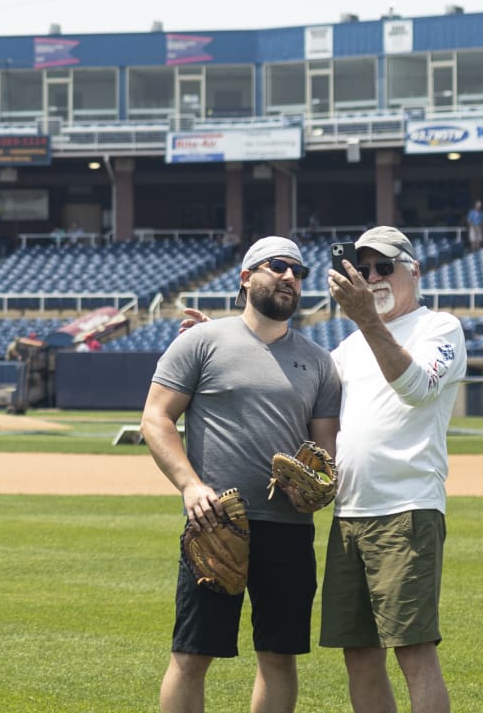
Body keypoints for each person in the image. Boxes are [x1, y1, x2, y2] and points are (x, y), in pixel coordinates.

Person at [142, 235, 342, 713]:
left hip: (289, 530)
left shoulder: (318, 362)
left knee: (279, 656)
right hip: (216, 521)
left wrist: (316, 492)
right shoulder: (201, 341)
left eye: (299, 271)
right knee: (192, 654)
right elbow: (156, 418)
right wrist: (190, 486)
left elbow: (325, 450)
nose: (290, 276)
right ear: (247, 277)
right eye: (278, 266)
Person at [322, 225, 464, 711]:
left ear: (413, 271)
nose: (373, 277)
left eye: (384, 267)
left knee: (413, 651)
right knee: (358, 654)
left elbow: (419, 388)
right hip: (348, 516)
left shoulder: (440, 327)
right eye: (363, 270)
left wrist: (367, 320)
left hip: (407, 511)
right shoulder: (348, 345)